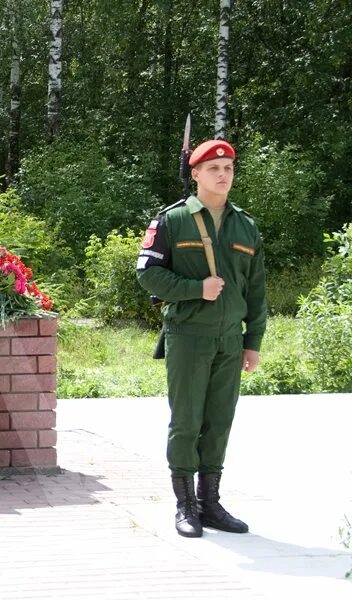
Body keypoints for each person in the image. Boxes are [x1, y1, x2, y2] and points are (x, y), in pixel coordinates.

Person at [136, 139, 266, 538]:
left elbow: (256, 290)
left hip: (230, 339)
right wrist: (197, 288)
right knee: (187, 421)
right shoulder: (172, 221)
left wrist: (253, 341)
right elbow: (147, 274)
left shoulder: (246, 226)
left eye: (228, 168)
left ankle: (210, 503)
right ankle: (185, 505)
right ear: (195, 174)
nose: (223, 175)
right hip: (189, 335)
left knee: (219, 422)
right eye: (213, 169)